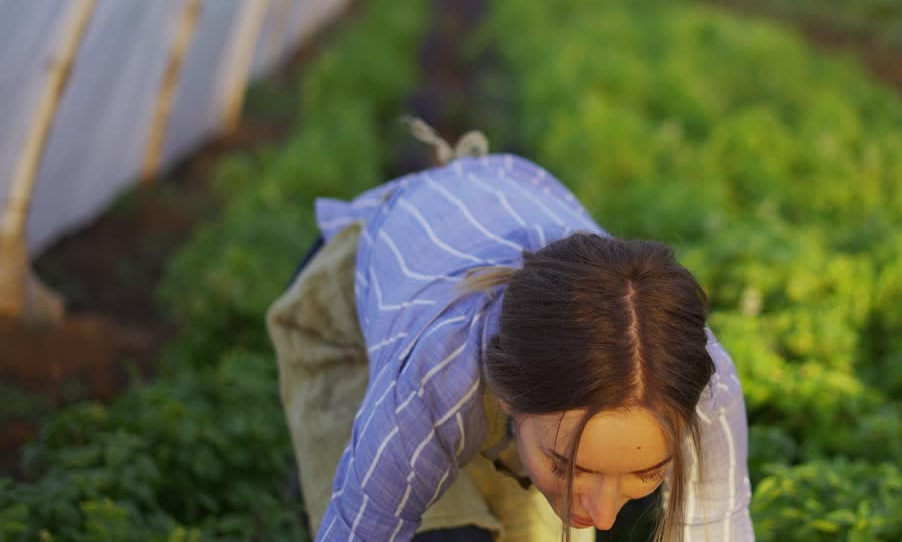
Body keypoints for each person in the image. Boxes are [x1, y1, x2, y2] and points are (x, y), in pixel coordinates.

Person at [266, 124, 754, 542]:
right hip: (356, 304)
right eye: (570, 466)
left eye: (644, 471)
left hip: (500, 214)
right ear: (510, 397)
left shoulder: (695, 380)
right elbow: (364, 527)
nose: (604, 517)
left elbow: (716, 526)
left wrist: (570, 467)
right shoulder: (437, 372)